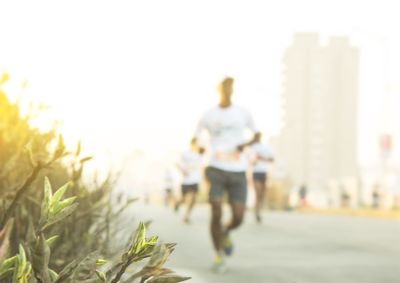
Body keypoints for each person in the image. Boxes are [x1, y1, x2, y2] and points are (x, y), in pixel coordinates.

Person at [192, 76, 260, 272]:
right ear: (219, 90)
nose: (227, 91)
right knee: (216, 210)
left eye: (230, 88)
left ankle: (226, 232)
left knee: (238, 217)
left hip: (238, 169)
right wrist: (198, 148)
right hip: (215, 168)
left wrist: (246, 144)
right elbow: (194, 139)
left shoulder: (242, 113)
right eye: (224, 88)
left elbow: (256, 135)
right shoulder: (208, 115)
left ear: (233, 90)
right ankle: (218, 254)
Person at [174, 139, 204, 223]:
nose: (197, 145)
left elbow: (202, 164)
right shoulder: (185, 154)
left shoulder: (200, 154)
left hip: (195, 180)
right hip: (186, 180)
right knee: (183, 199)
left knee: (193, 199)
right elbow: (177, 163)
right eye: (195, 144)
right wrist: (182, 171)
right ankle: (177, 203)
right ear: (191, 144)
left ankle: (186, 217)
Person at [248, 133, 274, 223]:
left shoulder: (267, 147)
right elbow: (250, 161)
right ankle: (257, 211)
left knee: (262, 194)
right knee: (257, 193)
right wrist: (255, 160)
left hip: (265, 172)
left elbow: (272, 159)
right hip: (256, 172)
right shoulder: (253, 148)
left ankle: (259, 210)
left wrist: (261, 158)